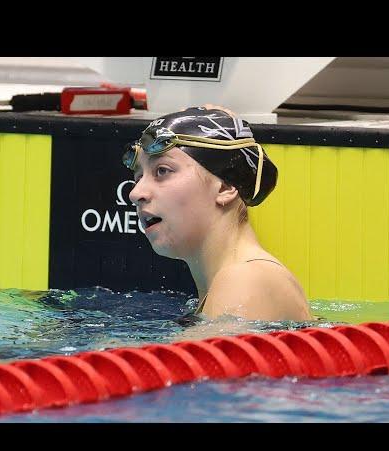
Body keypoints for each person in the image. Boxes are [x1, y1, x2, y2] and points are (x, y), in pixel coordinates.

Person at [123, 106, 311, 322]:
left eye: (162, 171)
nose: (135, 193)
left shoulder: (245, 279)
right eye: (138, 177)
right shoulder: (223, 285)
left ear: (225, 186)